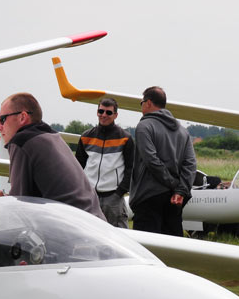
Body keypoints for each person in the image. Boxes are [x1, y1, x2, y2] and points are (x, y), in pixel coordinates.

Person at [0, 92, 104, 219]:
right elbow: (30, 199)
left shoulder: (22, 141)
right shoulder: (51, 136)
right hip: (95, 223)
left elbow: (18, 208)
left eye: (2, 119)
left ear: (22, 117)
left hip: (75, 228)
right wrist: (3, 199)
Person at [129, 86, 197, 236]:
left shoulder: (144, 126)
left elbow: (151, 160)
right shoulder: (182, 131)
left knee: (147, 250)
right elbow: (191, 164)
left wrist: (173, 185)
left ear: (148, 103)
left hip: (148, 198)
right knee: (173, 250)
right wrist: (180, 190)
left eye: (141, 102)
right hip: (175, 199)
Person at [75, 97, 134, 228]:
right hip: (90, 196)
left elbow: (131, 169)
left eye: (108, 112)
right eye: (101, 111)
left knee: (118, 237)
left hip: (113, 197)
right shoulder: (86, 136)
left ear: (115, 115)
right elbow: (78, 166)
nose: (103, 115)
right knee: (87, 232)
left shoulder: (125, 138)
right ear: (97, 112)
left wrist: (119, 193)